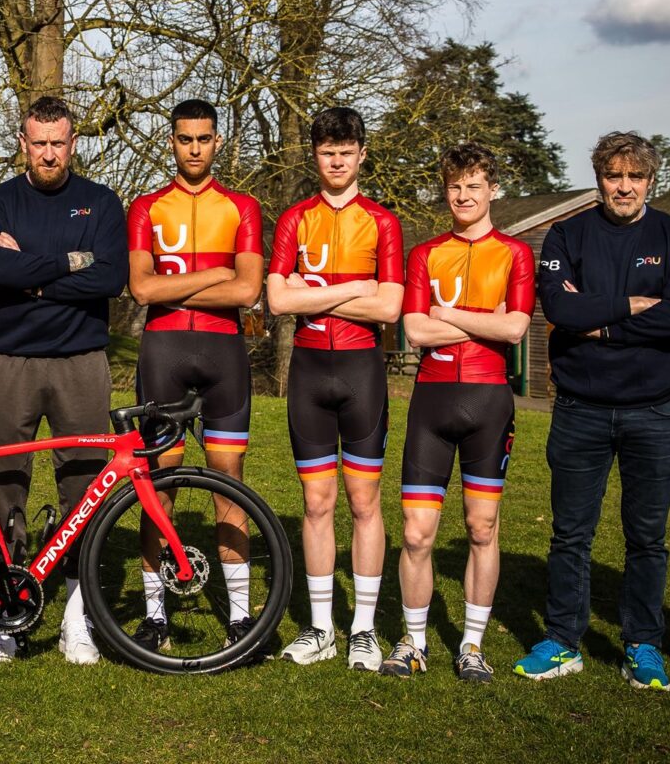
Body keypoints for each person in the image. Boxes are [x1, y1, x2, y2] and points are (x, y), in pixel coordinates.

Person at [513, 132, 670, 691]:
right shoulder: (567, 233)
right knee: (571, 533)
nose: (624, 186)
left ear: (651, 180)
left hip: (656, 409)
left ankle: (643, 643)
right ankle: (562, 641)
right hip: (581, 409)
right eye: (613, 175)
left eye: (635, 176)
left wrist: (600, 324)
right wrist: (629, 306)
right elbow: (560, 307)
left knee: (647, 535)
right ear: (599, 177)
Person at [0, 95, 129, 664]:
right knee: (3, 485)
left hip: (80, 360)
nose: (48, 153)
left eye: (57, 143)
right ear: (22, 143)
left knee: (85, 489)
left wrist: (35, 275)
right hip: (11, 361)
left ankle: (75, 618)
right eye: (37, 143)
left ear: (73, 143)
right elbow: (0, 269)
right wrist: (71, 260)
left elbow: (111, 277)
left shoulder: (101, 201)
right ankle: (6, 617)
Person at [385, 143, 533, 684]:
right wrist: (475, 319)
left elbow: (516, 329)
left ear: (492, 189)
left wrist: (443, 314)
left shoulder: (515, 254)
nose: (464, 196)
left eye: (474, 185)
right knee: (418, 532)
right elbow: (416, 330)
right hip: (432, 401)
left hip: (488, 402)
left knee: (481, 527)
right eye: (454, 186)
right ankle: (414, 641)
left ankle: (471, 644)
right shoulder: (425, 254)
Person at [263, 106, 403, 670]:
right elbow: (277, 301)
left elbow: (390, 306)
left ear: (362, 154)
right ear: (314, 155)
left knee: (364, 501)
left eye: (346, 151)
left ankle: (364, 630)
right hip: (309, 371)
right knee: (317, 501)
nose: (337, 160)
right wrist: (354, 290)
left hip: (362, 371)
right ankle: (321, 628)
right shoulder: (295, 218)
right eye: (326, 151)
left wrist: (313, 291)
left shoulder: (383, 222)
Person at [125, 99, 264, 652]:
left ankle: (239, 615)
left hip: (223, 353)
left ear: (218, 142)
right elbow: (141, 289)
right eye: (185, 139)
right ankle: (154, 614)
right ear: (172, 141)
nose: (195, 149)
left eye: (204, 139)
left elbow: (248, 290)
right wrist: (216, 272)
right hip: (163, 352)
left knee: (228, 484)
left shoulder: (243, 206)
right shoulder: (146, 207)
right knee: (160, 489)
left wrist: (176, 284)